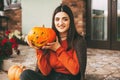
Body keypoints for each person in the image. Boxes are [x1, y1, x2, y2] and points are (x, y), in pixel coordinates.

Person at [20, 4, 87, 80]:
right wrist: (39, 50)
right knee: (26, 74)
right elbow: (46, 72)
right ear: (54, 21)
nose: (60, 23)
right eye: (57, 19)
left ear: (70, 21)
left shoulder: (78, 41)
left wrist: (58, 49)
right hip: (53, 77)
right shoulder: (49, 39)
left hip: (70, 78)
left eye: (65, 19)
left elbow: (75, 70)